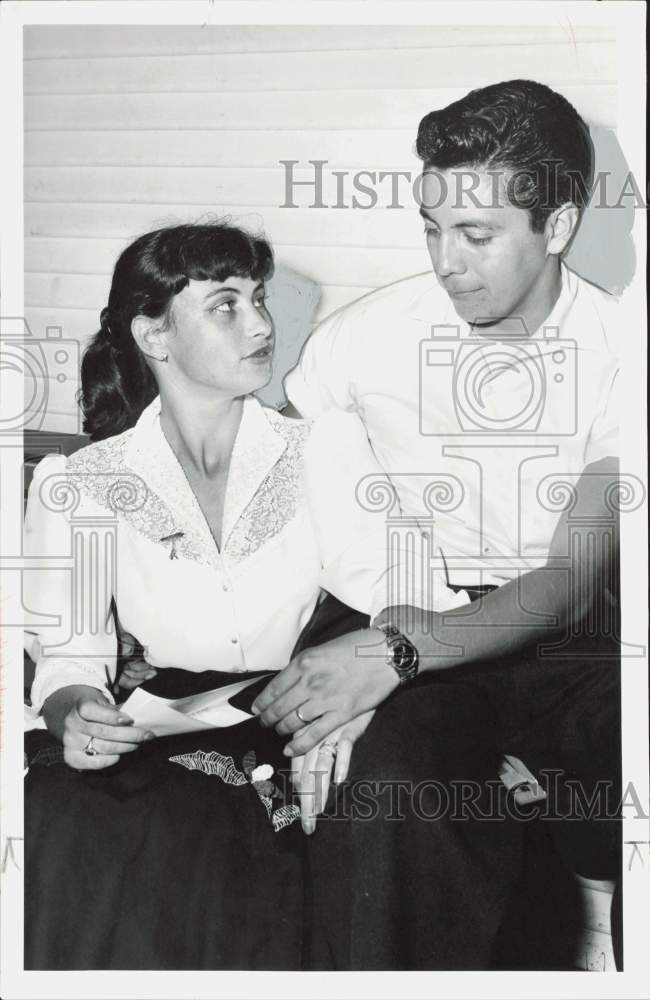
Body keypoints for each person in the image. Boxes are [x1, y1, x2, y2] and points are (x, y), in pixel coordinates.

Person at [23, 221, 467, 970]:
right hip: (152, 735)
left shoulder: (318, 449)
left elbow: (411, 593)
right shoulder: (80, 485)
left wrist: (362, 692)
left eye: (258, 299)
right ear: (153, 336)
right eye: (225, 305)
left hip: (281, 726)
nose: (262, 324)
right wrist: (79, 718)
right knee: (64, 826)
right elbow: (67, 661)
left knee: (227, 867)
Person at [253, 79, 624, 969]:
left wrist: (400, 652)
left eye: (476, 235)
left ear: (560, 226)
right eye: (430, 226)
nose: (444, 261)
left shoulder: (626, 353)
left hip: (563, 638)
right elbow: (264, 449)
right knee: (386, 792)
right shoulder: (369, 332)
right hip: (408, 608)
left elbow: (574, 575)